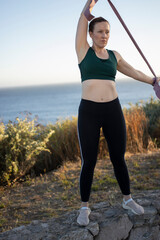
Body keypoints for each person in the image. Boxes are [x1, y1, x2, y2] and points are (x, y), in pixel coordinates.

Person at [75, 0, 160, 227]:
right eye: (100, 32)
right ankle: (84, 207)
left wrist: (153, 80)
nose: (104, 36)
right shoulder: (83, 51)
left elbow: (133, 71)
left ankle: (127, 199)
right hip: (89, 112)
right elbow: (81, 22)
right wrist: (89, 4)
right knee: (89, 161)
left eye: (107, 32)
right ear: (91, 34)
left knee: (118, 158)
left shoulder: (114, 56)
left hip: (113, 110)